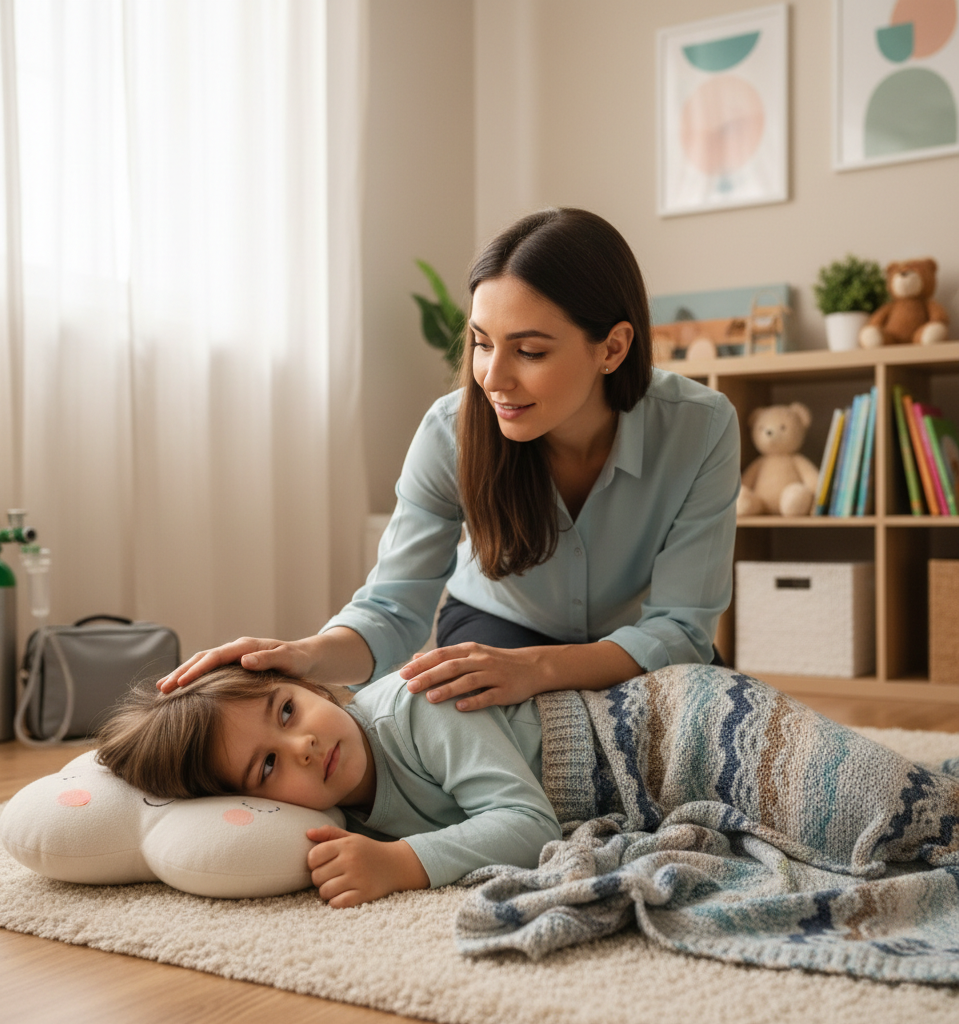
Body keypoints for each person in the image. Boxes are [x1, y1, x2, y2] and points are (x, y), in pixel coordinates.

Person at [157, 208, 740, 710]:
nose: (493, 377)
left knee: (718, 729)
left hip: (635, 643)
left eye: (530, 350)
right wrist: (302, 656)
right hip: (497, 629)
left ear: (612, 347)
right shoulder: (449, 433)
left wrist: (540, 670)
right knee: (483, 734)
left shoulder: (702, 426)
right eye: (482, 343)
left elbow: (680, 627)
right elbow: (392, 607)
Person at [102, 662, 959, 918]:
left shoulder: (418, 706)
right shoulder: (328, 810)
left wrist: (403, 863)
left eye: (288, 710)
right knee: (872, 829)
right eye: (266, 767)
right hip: (663, 788)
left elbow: (523, 822)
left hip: (683, 724)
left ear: (310, 687)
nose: (304, 746)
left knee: (889, 811)